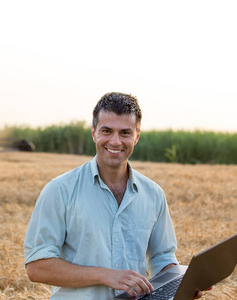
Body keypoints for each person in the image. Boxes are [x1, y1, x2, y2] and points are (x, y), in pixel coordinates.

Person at [24, 92, 207, 299]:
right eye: (107, 131)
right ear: (94, 133)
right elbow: (36, 267)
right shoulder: (60, 190)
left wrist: (181, 286)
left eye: (125, 133)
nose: (115, 141)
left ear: (137, 136)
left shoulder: (153, 194)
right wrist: (105, 275)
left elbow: (162, 257)